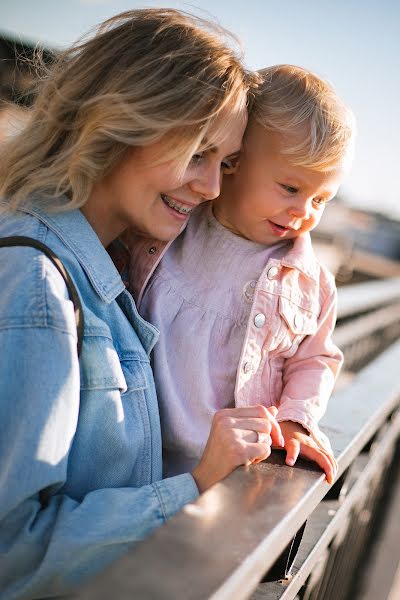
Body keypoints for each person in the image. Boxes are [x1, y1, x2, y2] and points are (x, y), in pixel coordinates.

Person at [0, 10, 285, 598]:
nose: (211, 188)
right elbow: (14, 553)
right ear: (124, 122)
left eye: (225, 164)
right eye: (198, 154)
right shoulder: (38, 286)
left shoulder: (114, 272)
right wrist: (197, 484)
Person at [126, 64, 355, 484]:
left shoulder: (312, 284)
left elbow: (316, 359)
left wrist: (297, 420)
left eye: (321, 199)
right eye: (290, 188)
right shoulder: (171, 230)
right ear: (233, 162)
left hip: (230, 475)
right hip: (139, 455)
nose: (304, 212)